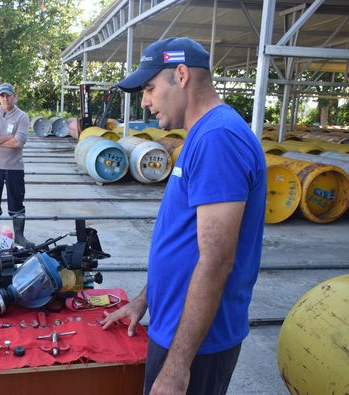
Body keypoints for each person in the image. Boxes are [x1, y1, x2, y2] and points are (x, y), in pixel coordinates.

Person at [100, 37, 266, 395]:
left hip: (195, 346)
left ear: (181, 74)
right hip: (176, 329)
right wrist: (144, 300)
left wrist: (176, 368)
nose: (144, 102)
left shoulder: (218, 138)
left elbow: (217, 260)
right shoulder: (202, 134)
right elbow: (182, 239)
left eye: (149, 88)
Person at [0, 83, 34, 248]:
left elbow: (19, 142)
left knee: (17, 202)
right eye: (2, 95)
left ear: (14, 96)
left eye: (8, 95)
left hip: (15, 168)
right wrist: (8, 137)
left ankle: (19, 236)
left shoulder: (22, 116)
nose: (5, 98)